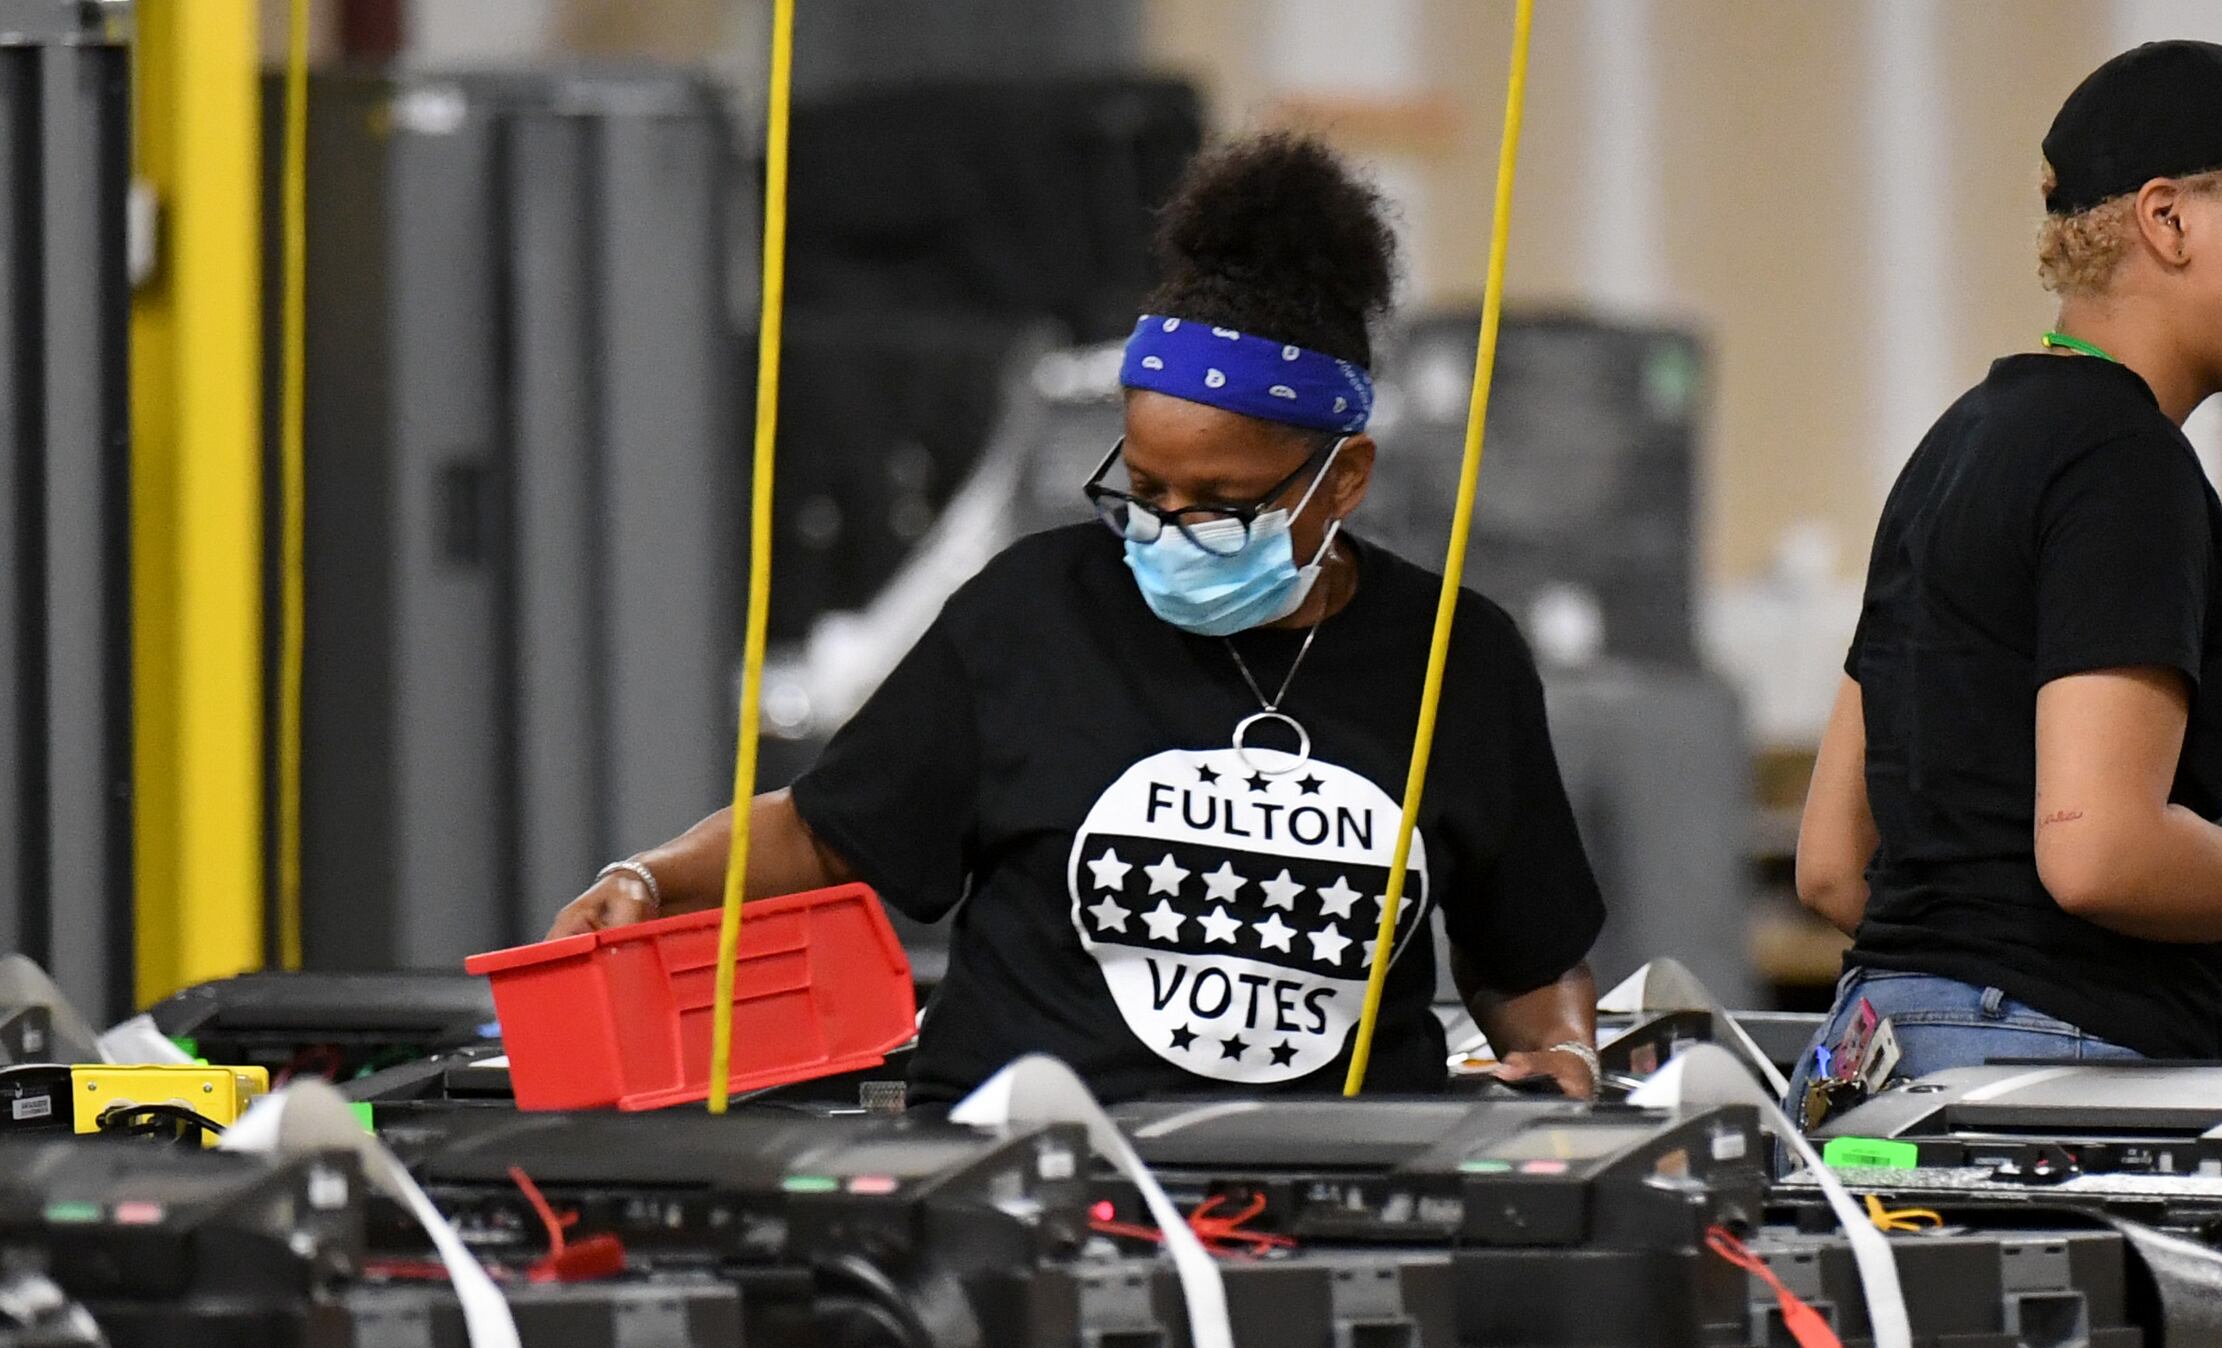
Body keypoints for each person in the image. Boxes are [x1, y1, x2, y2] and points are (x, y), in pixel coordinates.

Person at [547, 132, 1610, 1103]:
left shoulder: (1454, 661)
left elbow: (1524, 950)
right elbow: (827, 831)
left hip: (1342, 1187)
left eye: (1227, 505)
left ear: (1343, 481)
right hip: (1035, 1166)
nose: (1173, 531)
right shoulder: (1034, 614)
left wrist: (1561, 1048)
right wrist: (649, 877)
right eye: (1147, 492)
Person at [1787, 40, 2222, 1122]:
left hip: (1885, 1060)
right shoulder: (2124, 462)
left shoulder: (1961, 443)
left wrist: (2161, 994)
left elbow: (1833, 863)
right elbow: (2100, 852)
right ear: (2168, 220)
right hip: (2045, 1075)